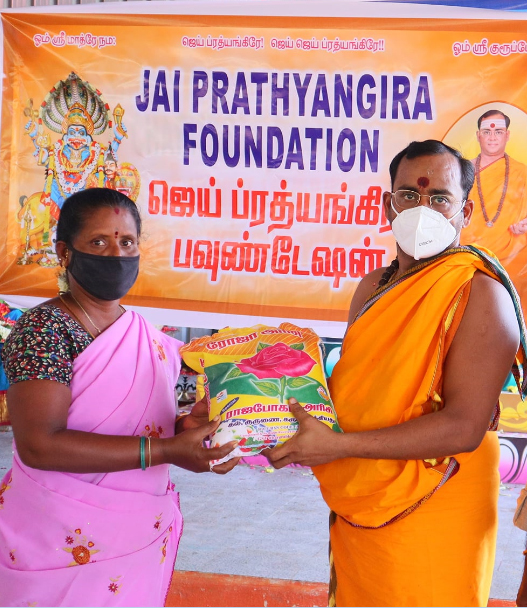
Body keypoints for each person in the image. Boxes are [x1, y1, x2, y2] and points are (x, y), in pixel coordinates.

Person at [266, 140, 527, 607]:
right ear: (389, 204)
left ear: (464, 211)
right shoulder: (373, 286)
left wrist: (338, 447)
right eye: (409, 194)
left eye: (439, 198)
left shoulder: (480, 294)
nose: (422, 209)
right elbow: (355, 393)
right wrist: (252, 417)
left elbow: (464, 428)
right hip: (360, 495)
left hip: (439, 500)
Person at [0, 188, 239, 607]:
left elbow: (142, 423)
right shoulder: (44, 329)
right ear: (64, 252)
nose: (116, 254)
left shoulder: (150, 339)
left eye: (127, 242)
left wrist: (189, 428)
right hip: (53, 540)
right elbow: (39, 445)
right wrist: (167, 450)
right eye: (99, 242)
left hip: (134, 538)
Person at [460, 110, 527, 274]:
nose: (492, 137)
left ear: (507, 135)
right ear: (478, 135)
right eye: (486, 132)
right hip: (467, 255)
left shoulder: (522, 172)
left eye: (498, 132)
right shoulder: (461, 171)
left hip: (512, 260)